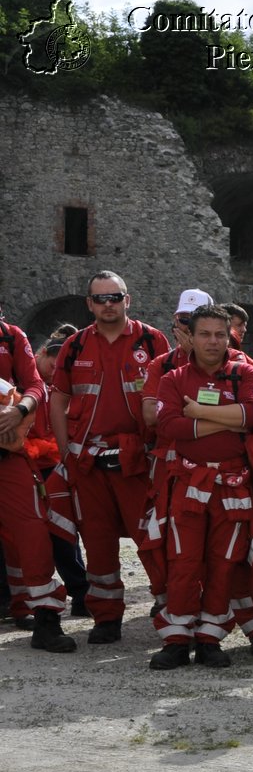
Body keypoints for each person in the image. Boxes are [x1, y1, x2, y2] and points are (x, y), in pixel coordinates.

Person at [50, 270, 170, 643]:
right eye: (100, 299)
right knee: (98, 543)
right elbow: (58, 398)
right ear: (89, 304)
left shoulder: (151, 341)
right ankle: (106, 618)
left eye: (114, 297)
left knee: (152, 539)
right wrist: (65, 449)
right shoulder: (74, 346)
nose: (107, 305)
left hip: (139, 460)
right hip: (88, 462)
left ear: (127, 300)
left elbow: (170, 395)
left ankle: (172, 609)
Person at [148, 305, 253, 668]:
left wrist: (199, 412)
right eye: (205, 334)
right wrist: (229, 422)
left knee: (224, 561)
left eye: (220, 334)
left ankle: (211, 638)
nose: (213, 341)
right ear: (190, 337)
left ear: (229, 335)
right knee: (183, 560)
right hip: (187, 482)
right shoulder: (173, 379)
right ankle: (177, 639)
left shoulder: (244, 372)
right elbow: (169, 426)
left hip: (233, 486)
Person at [0, 310, 75, 652]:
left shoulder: (11, 335)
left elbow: (35, 386)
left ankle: (46, 617)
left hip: (7, 450)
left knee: (30, 529)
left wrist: (21, 410)